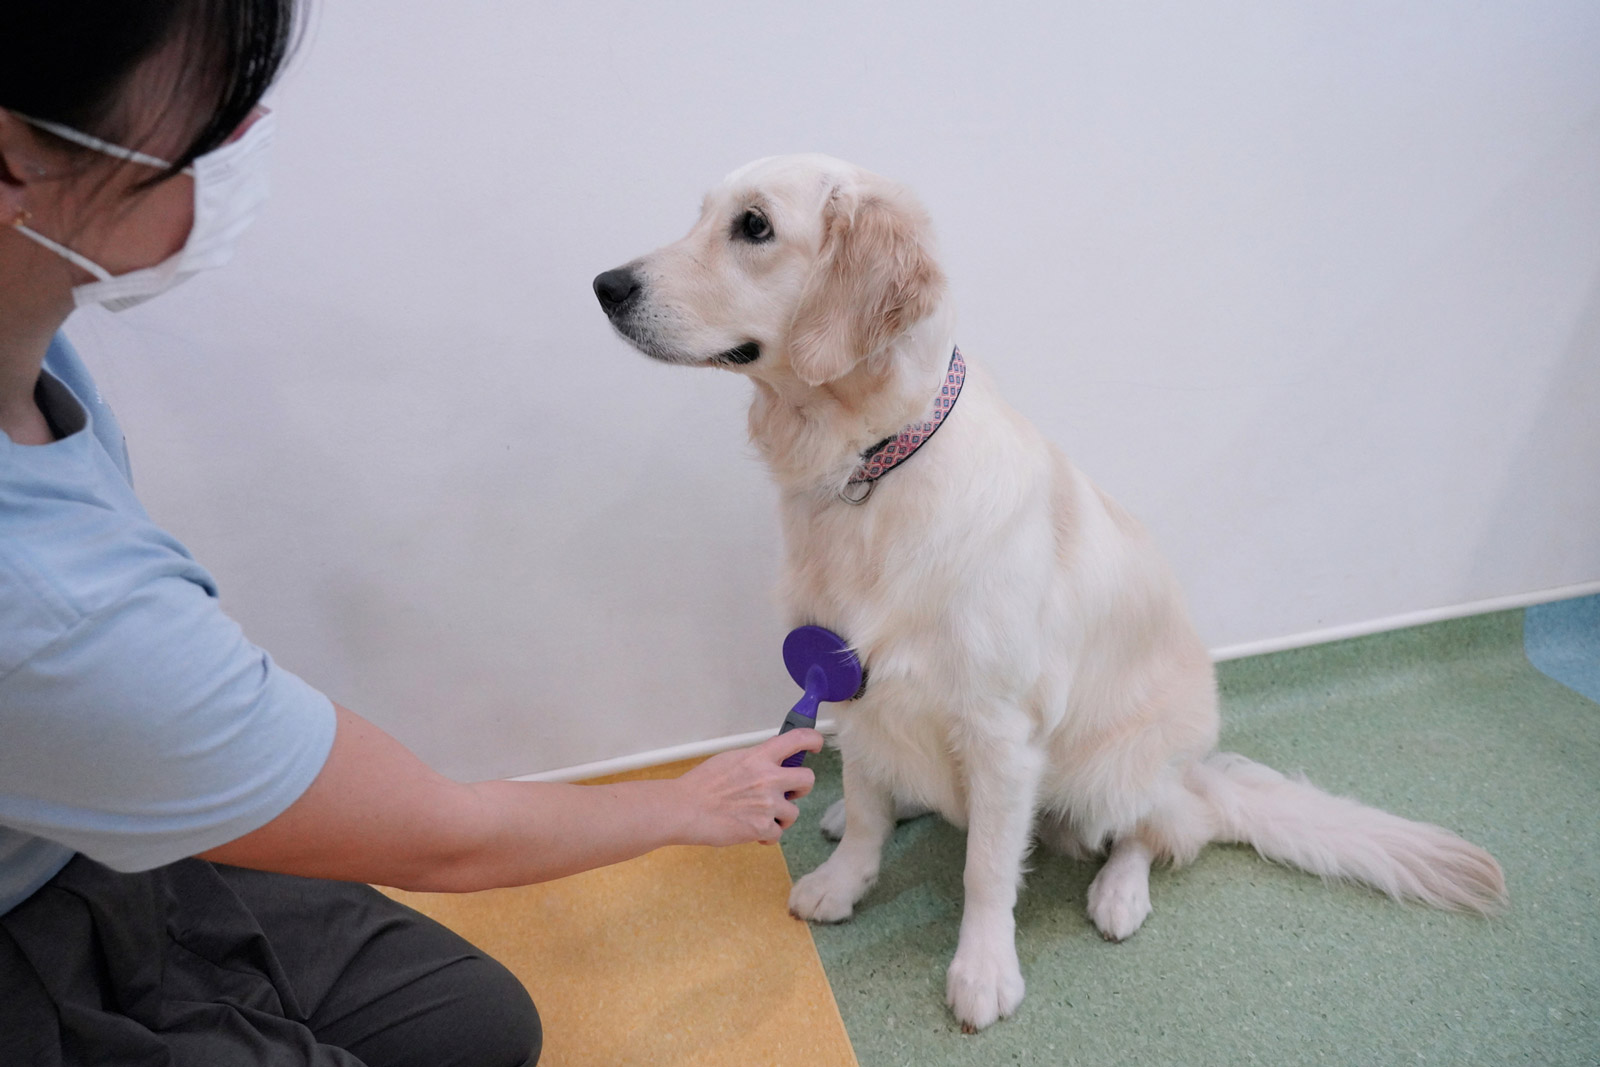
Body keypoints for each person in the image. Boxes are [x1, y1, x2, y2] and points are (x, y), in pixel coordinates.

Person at [0, 3, 823, 1065]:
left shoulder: (40, 351)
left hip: (78, 836)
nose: (246, 141)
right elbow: (445, 831)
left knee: (476, 1023)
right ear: (17, 158)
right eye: (213, 118)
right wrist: (687, 802)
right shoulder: (52, 608)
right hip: (30, 918)